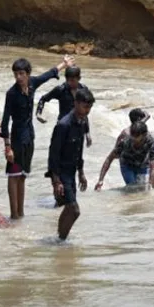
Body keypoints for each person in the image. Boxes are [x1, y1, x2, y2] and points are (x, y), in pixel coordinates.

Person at [1, 56, 72, 220]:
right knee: (13, 175)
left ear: (27, 74)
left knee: (23, 175)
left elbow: (48, 75)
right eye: (15, 74)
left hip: (30, 137)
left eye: (21, 74)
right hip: (17, 138)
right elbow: (5, 122)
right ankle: (13, 214)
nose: (18, 77)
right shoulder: (11, 94)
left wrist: (64, 64)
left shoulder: (32, 83)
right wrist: (7, 147)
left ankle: (20, 214)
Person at [49, 87, 95, 241]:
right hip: (61, 172)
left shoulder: (82, 121)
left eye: (89, 107)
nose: (87, 110)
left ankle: (59, 238)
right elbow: (53, 154)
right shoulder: (64, 125)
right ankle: (61, 240)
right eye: (84, 106)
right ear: (76, 103)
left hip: (72, 171)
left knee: (69, 208)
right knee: (74, 210)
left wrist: (81, 172)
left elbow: (79, 149)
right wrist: (56, 181)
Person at [37, 66, 93, 147]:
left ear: (79, 78)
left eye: (73, 80)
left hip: (78, 127)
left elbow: (84, 113)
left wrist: (87, 132)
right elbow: (43, 99)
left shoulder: (84, 90)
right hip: (62, 127)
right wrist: (39, 113)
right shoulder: (61, 89)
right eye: (68, 80)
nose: (70, 83)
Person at [95, 120, 154, 191]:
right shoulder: (125, 142)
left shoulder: (151, 143)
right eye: (132, 135)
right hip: (127, 166)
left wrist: (151, 189)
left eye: (137, 136)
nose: (133, 138)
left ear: (144, 135)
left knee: (144, 189)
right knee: (132, 188)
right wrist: (100, 181)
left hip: (143, 165)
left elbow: (153, 168)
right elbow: (109, 159)